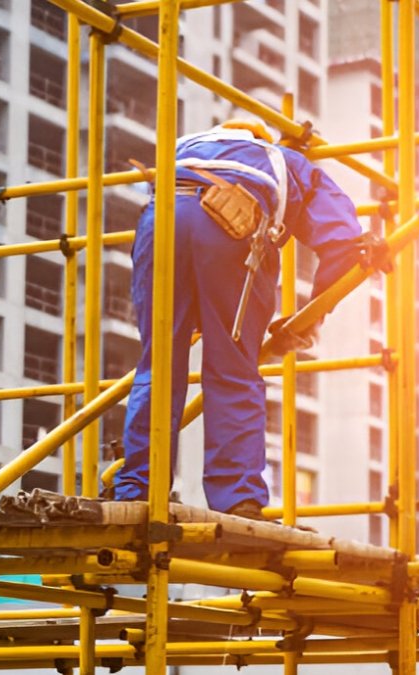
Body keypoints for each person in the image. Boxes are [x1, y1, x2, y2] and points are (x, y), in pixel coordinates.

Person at [114, 120, 370, 518]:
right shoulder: (285, 160)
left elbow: (187, 246)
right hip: (232, 224)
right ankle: (237, 497)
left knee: (158, 366)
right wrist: (311, 318)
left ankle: (137, 488)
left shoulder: (183, 146)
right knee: (232, 368)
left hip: (158, 221)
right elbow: (343, 243)